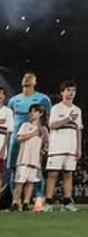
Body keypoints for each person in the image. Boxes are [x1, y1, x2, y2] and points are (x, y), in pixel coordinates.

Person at [7, 72, 52, 209]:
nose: (26, 78)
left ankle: (36, 200)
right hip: (16, 138)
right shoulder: (14, 100)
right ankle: (16, 202)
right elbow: (9, 120)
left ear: (35, 81)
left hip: (35, 140)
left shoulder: (43, 98)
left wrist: (44, 138)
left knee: (36, 170)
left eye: (30, 77)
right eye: (24, 77)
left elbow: (48, 121)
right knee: (15, 170)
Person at [43, 81, 82, 212]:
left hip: (71, 147)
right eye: (68, 90)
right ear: (62, 92)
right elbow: (52, 125)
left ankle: (67, 202)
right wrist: (68, 119)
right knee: (53, 174)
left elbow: (79, 130)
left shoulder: (78, 110)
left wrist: (79, 148)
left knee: (68, 174)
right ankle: (48, 202)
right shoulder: (56, 108)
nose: (71, 93)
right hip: (57, 147)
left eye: (73, 90)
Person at [11, 103, 47, 212]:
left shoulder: (43, 129)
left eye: (34, 111)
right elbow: (20, 138)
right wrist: (33, 133)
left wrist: (42, 152)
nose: (31, 114)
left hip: (35, 159)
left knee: (31, 182)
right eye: (31, 111)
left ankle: (26, 202)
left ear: (40, 113)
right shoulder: (25, 125)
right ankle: (15, 202)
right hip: (24, 158)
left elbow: (46, 143)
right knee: (20, 182)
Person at [0, 87, 14, 192]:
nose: (0, 96)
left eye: (2, 94)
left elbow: (9, 131)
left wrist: (4, 148)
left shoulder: (8, 111)